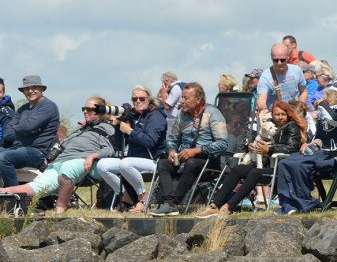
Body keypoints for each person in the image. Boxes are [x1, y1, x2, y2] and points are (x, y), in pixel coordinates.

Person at [0, 95, 114, 213]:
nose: (85, 111)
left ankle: (60, 208)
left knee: (67, 169)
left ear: (100, 111)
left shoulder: (106, 128)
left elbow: (110, 150)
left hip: (83, 161)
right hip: (60, 162)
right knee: (34, 187)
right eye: (84, 108)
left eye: (89, 109)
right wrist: (50, 158)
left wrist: (92, 156)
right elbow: (61, 145)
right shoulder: (79, 130)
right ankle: (4, 193)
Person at [197, 101, 305, 217]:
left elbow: (291, 148)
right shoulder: (267, 124)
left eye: (283, 114)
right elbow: (254, 139)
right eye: (277, 114)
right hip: (264, 164)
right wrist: (249, 146)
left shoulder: (291, 126)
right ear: (272, 115)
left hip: (280, 167)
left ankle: (229, 206)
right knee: (238, 169)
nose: (280, 117)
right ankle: (215, 205)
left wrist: (269, 149)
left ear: (287, 114)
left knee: (255, 172)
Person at [150, 83, 230, 216]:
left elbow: (222, 143)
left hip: (208, 161)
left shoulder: (213, 113)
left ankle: (175, 202)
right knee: (162, 163)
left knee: (191, 163)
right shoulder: (182, 115)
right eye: (182, 97)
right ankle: (169, 203)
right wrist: (171, 150)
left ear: (199, 100)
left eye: (186, 98)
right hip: (183, 158)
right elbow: (172, 139)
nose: (182, 101)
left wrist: (196, 151)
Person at [94, 85, 168, 213]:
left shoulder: (156, 116)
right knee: (102, 165)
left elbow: (150, 142)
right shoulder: (133, 116)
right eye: (134, 99)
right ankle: (126, 195)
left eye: (141, 98)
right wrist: (118, 126)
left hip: (153, 160)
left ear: (149, 99)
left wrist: (130, 131)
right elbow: (118, 144)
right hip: (132, 160)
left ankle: (142, 198)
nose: (137, 101)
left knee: (125, 163)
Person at [0, 75, 61, 188]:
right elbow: (8, 134)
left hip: (37, 152)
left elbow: (29, 126)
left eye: (34, 87)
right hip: (17, 149)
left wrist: (19, 128)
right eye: (27, 89)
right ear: (23, 91)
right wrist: (26, 129)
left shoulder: (48, 106)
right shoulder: (22, 109)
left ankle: (13, 196)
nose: (30, 91)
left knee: (2, 158)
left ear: (41, 89)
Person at [256, 43, 308, 115]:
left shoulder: (297, 70)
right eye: (276, 60)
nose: (279, 63)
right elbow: (261, 98)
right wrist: (264, 109)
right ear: (271, 57)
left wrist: (300, 108)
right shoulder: (266, 76)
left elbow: (303, 92)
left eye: (282, 60)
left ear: (288, 57)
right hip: (277, 116)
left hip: (294, 114)